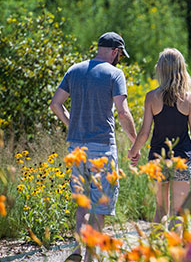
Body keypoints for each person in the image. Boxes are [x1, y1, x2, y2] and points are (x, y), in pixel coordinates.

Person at [49, 32, 140, 262]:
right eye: (120, 54)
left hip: (76, 149)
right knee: (101, 205)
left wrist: (73, 126)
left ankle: (79, 250)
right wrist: (135, 143)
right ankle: (91, 256)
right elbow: (123, 112)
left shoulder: (75, 70)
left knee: (83, 203)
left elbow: (55, 104)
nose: (120, 59)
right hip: (102, 148)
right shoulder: (115, 74)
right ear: (115, 51)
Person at [128, 48, 191, 224]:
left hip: (158, 160)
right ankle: (177, 249)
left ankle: (158, 249)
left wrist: (133, 152)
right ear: (181, 69)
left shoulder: (151, 97)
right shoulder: (189, 98)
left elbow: (144, 132)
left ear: (161, 70)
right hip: (182, 160)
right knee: (179, 212)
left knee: (160, 210)